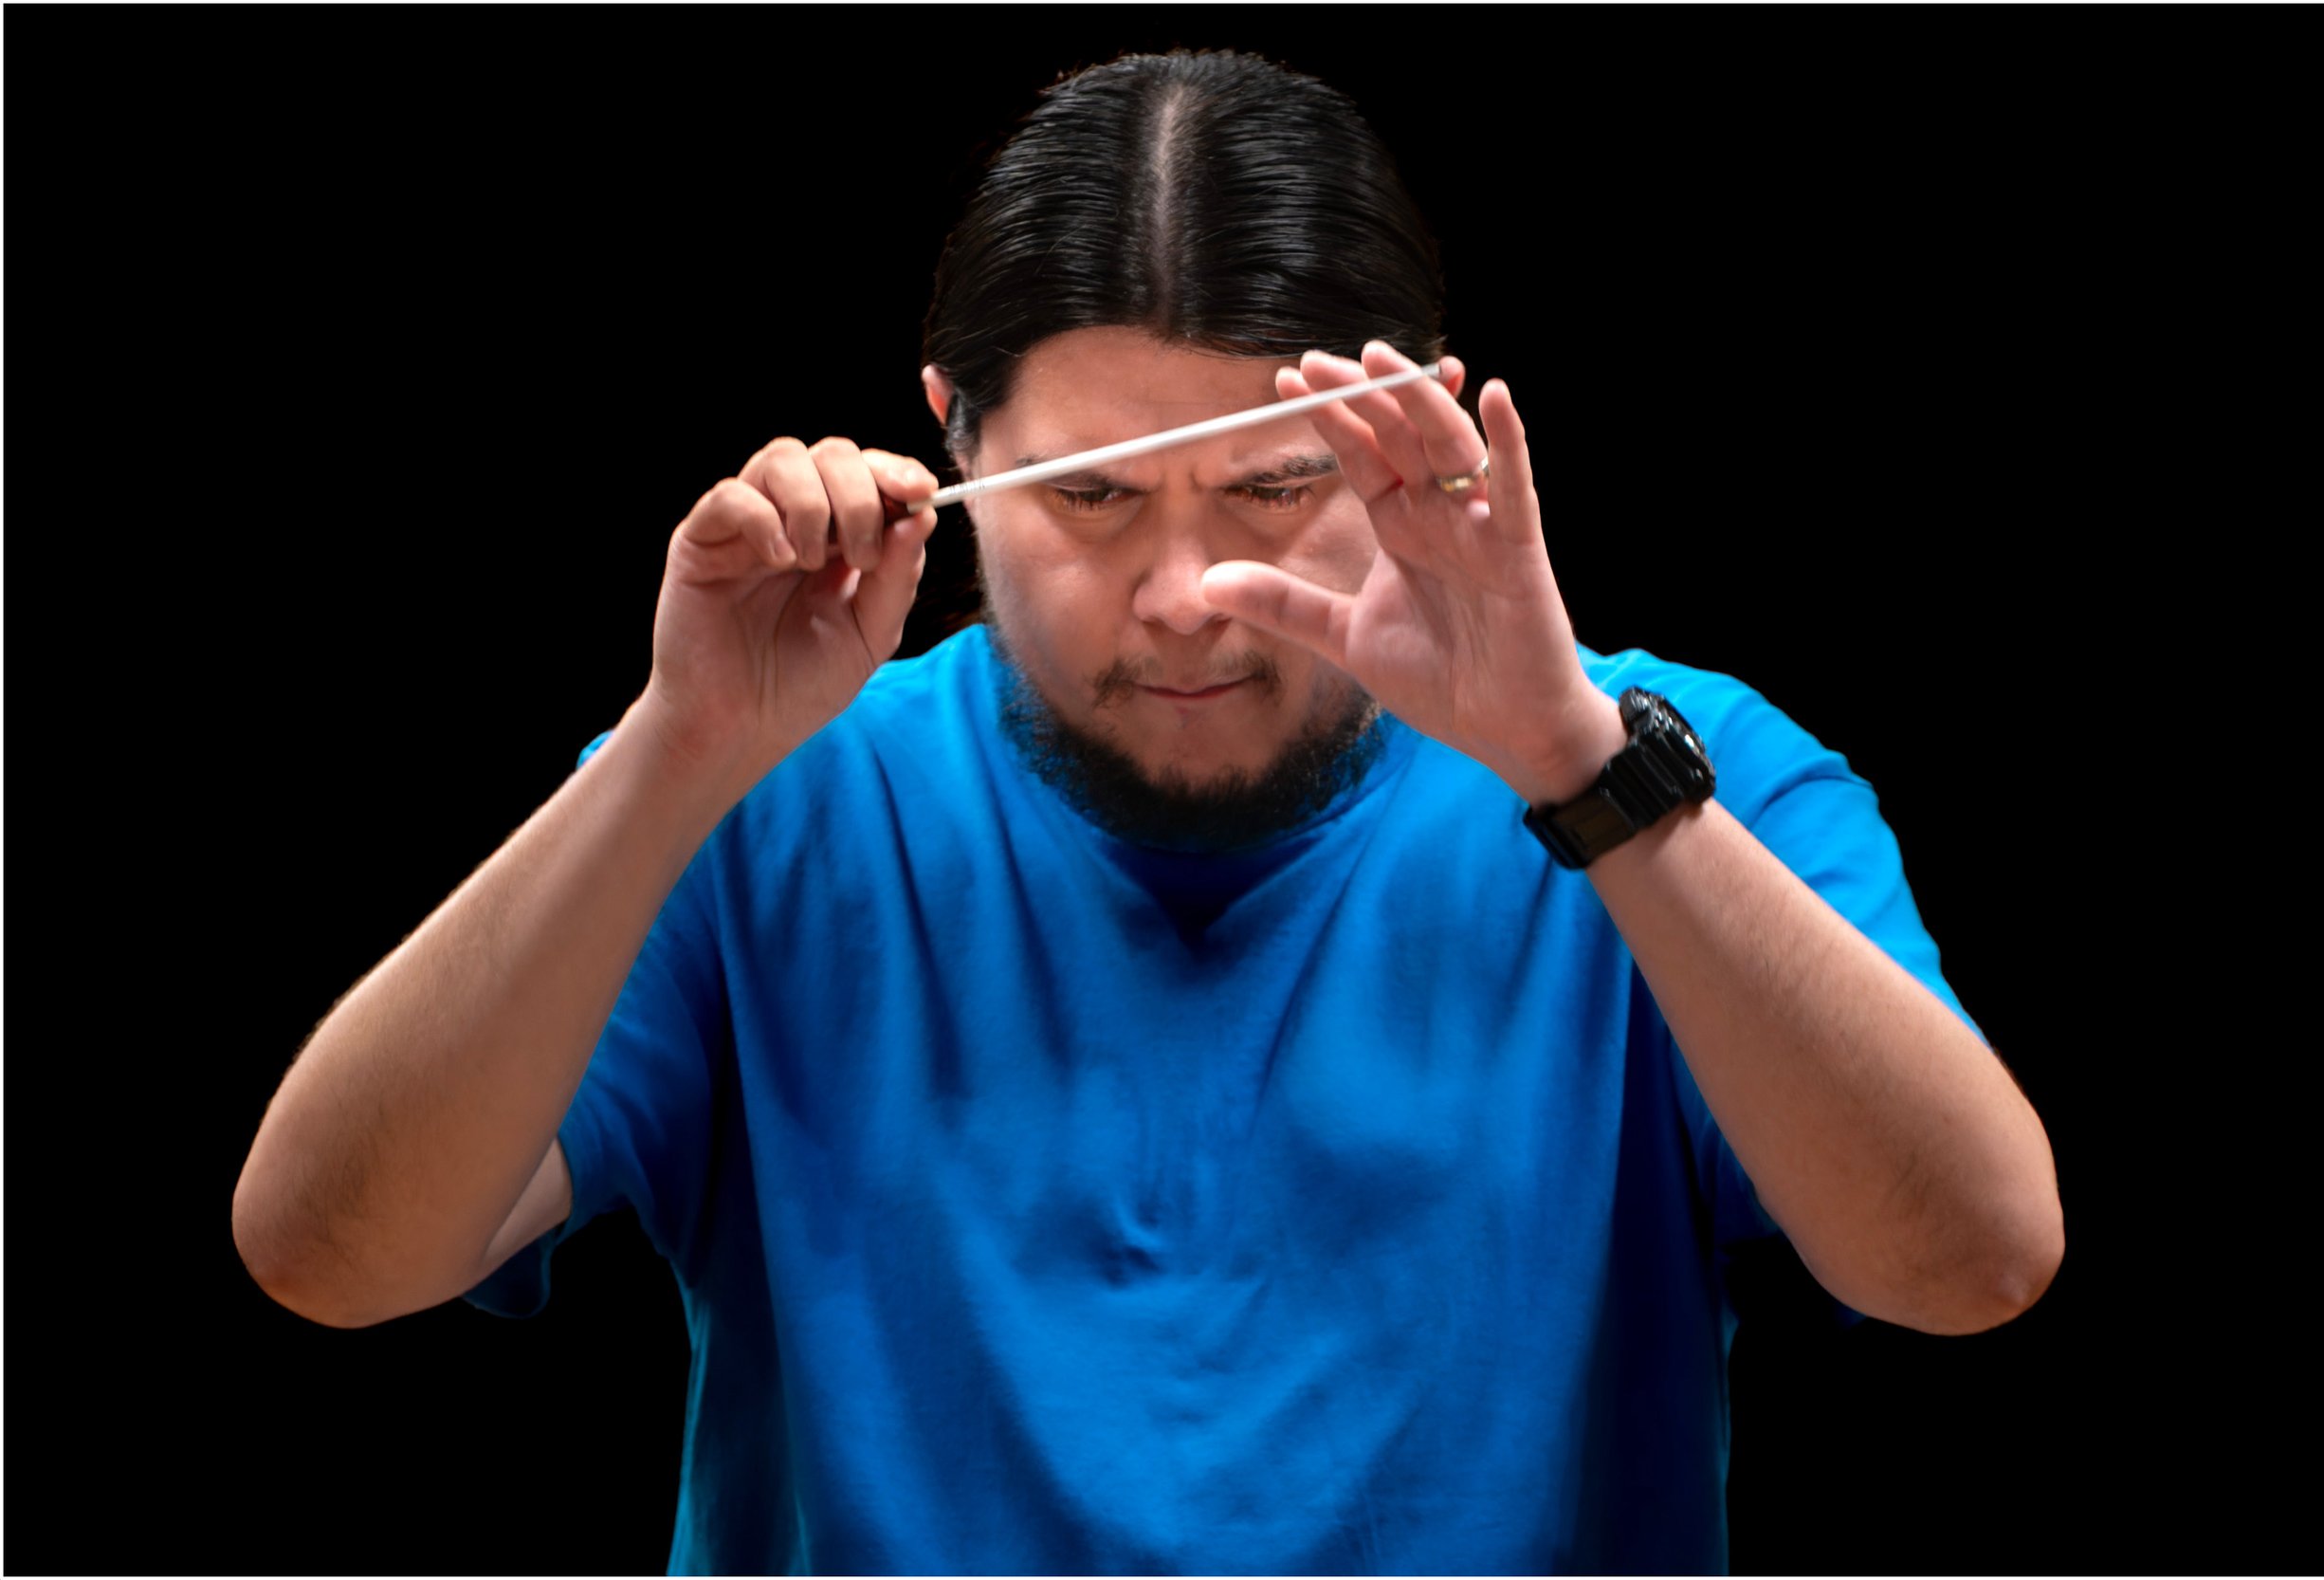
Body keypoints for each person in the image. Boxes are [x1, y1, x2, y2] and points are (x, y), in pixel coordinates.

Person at [232, 47, 2061, 1575]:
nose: (1184, 593)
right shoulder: (766, 797)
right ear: (952, 439)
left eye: (1274, 491)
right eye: (1093, 506)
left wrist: (1581, 767)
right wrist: (671, 747)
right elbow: (332, 1253)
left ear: (1410, 426)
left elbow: (1973, 1261)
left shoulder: (1673, 762)